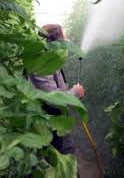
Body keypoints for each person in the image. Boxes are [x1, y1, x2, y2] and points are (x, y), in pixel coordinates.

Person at [28, 24, 84, 177]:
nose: (67, 42)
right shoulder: (41, 64)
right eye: (64, 38)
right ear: (55, 41)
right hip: (46, 126)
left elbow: (59, 91)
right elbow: (53, 99)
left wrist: (74, 93)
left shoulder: (51, 61)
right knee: (59, 167)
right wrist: (75, 93)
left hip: (55, 124)